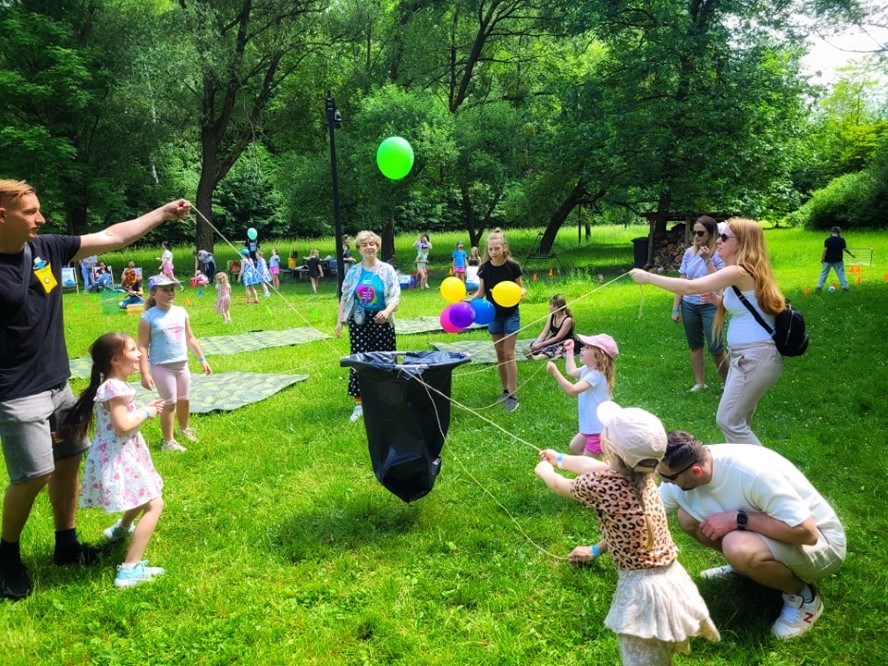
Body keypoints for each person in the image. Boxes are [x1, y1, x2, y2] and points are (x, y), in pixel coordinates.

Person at [0, 178, 190, 600]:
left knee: (68, 460)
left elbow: (111, 236)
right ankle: (6, 556)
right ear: (2, 215)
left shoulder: (44, 248)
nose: (40, 218)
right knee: (34, 473)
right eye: (31, 212)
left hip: (57, 383)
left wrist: (161, 212)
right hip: (15, 391)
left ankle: (65, 544)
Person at [535, 402, 720, 665]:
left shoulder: (601, 486)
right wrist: (561, 459)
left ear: (611, 450)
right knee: (659, 653)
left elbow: (561, 486)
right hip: (672, 579)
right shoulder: (645, 473)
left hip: (643, 593)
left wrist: (547, 472)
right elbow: (596, 467)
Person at [658, 430, 846, 640]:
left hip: (822, 546)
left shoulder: (752, 472)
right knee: (687, 516)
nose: (664, 482)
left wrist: (737, 519)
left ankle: (804, 597)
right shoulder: (689, 465)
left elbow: (807, 533)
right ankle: (747, 567)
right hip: (779, 531)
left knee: (737, 546)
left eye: (668, 477)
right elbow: (651, 513)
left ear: (695, 471)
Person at [630, 218, 784, 446]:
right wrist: (718, 301)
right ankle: (741, 474)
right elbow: (749, 306)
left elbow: (691, 286)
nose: (718, 241)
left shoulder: (739, 271)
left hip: (755, 357)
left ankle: (768, 474)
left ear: (742, 243)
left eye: (724, 237)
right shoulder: (744, 273)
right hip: (749, 357)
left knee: (729, 421)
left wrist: (649, 277)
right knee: (739, 421)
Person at [57, 333, 166, 588]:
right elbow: (122, 425)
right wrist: (147, 412)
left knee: (141, 493)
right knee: (155, 504)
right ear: (116, 360)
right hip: (120, 457)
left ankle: (119, 530)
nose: (139, 354)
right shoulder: (114, 388)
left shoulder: (113, 384)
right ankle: (129, 570)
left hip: (123, 453)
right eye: (132, 350)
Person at [138, 274, 212, 452]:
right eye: (165, 290)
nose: (170, 293)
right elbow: (142, 346)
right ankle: (168, 442)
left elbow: (190, 338)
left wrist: (202, 359)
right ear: (154, 294)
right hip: (162, 366)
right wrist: (144, 373)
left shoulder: (181, 312)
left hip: (182, 365)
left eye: (172, 289)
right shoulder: (148, 317)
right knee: (169, 404)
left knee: (184, 400)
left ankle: (184, 428)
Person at [335, 231, 400, 423]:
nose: (369, 247)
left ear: (377, 247)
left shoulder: (387, 270)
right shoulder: (354, 271)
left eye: (372, 244)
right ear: (359, 249)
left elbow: (395, 296)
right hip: (359, 321)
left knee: (385, 359)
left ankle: (386, 400)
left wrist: (387, 312)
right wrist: (340, 321)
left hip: (382, 320)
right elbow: (345, 297)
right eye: (364, 245)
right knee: (360, 361)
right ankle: (359, 404)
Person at [672, 216, 729, 392]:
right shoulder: (689, 253)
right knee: (695, 345)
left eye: (700, 233)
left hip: (711, 305)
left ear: (711, 234)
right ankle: (699, 383)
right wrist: (675, 307)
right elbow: (682, 281)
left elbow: (720, 281)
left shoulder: (719, 254)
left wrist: (707, 259)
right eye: (694, 232)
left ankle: (728, 383)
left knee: (715, 347)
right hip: (689, 305)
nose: (696, 236)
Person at [471, 229, 525, 413]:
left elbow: (520, 290)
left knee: (509, 353)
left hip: (511, 314)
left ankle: (513, 394)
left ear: (504, 248)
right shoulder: (484, 268)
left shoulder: (513, 267)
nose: (493, 252)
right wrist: (469, 301)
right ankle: (505, 389)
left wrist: (522, 293)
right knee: (500, 354)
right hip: (493, 315)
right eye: (490, 249)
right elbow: (481, 292)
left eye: (497, 248)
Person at [546, 334, 618, 457]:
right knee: (575, 447)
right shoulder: (588, 369)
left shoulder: (597, 375)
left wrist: (556, 373)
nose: (582, 348)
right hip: (590, 426)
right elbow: (571, 372)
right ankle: (598, 469)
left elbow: (572, 390)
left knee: (586, 464)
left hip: (597, 429)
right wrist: (569, 352)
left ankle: (595, 470)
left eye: (587, 347)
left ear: (597, 356)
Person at [524, 294, 576, 360]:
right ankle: (535, 352)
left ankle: (536, 357)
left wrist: (541, 344)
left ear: (556, 307)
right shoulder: (552, 316)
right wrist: (537, 343)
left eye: (550, 305)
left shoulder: (568, 320)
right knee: (535, 345)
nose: (549, 306)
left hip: (565, 342)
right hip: (554, 339)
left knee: (552, 348)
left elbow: (558, 338)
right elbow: (544, 333)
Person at [815, 226, 854, 292]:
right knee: (841, 274)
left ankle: (819, 286)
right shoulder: (842, 240)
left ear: (831, 232)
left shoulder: (827, 240)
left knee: (824, 273)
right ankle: (845, 287)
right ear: (839, 232)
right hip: (838, 260)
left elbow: (825, 250)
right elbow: (845, 249)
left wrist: (822, 258)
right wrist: (851, 254)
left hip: (828, 260)